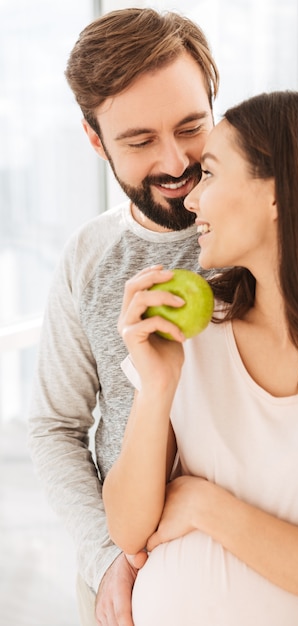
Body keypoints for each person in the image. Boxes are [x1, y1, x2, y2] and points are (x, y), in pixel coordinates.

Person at [105, 91, 298, 625]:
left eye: (211, 174)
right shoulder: (196, 331)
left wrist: (204, 506)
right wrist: (158, 386)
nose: (191, 200)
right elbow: (128, 528)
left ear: (280, 194)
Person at [27, 8, 218, 626]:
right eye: (139, 141)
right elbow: (56, 427)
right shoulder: (89, 257)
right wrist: (106, 558)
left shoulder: (278, 232)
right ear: (94, 138)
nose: (174, 162)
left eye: (192, 126)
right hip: (129, 587)